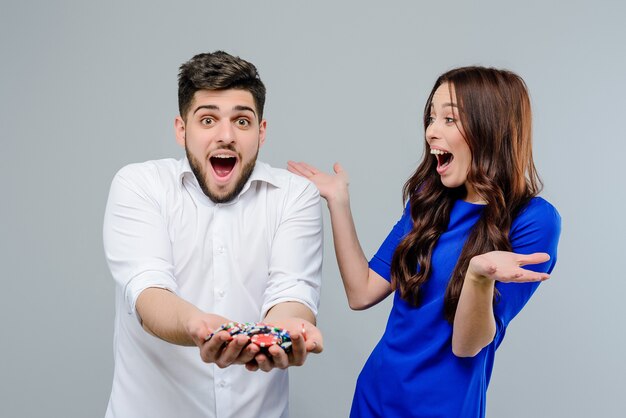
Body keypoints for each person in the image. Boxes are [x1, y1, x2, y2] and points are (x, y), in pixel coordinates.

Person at [288, 66, 561, 417]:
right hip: (375, 397)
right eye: (431, 118)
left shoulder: (534, 220)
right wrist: (338, 201)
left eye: (449, 119)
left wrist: (479, 274)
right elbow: (362, 291)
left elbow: (467, 345)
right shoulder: (427, 199)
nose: (431, 131)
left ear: (491, 126)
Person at [103, 51, 323, 418]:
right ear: (181, 129)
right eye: (208, 120)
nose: (226, 136)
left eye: (242, 121)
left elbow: (292, 292)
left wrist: (283, 333)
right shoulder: (139, 185)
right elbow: (148, 293)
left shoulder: (295, 196)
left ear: (261, 132)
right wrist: (200, 327)